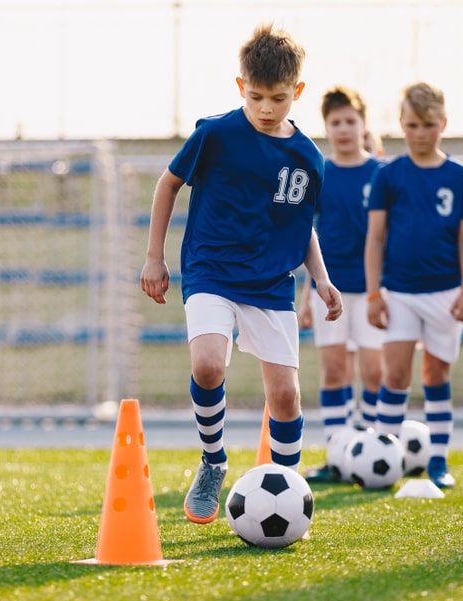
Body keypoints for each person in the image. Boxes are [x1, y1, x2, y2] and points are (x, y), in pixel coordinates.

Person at [140, 23, 342, 524]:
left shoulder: (308, 158)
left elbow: (302, 227)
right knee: (208, 365)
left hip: (271, 284)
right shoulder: (215, 134)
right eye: (256, 97)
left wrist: (320, 278)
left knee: (286, 397)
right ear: (240, 88)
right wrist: (154, 257)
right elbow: (167, 185)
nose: (267, 108)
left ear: (297, 91)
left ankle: (289, 494)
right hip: (210, 271)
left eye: (278, 98)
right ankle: (213, 461)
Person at [364, 81, 463, 489]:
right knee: (394, 375)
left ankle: (438, 461)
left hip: (446, 294)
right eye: (412, 124)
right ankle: (385, 455)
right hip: (398, 292)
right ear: (401, 124)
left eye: (429, 124)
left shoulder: (459, 177)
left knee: (436, 374)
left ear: (443, 124)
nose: (420, 133)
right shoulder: (389, 176)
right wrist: (375, 293)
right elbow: (375, 239)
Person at [296, 86, 384, 483]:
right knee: (334, 373)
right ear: (327, 127)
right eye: (336, 122)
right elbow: (306, 236)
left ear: (363, 125)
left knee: (374, 372)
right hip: (328, 290)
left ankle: (369, 450)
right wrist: (305, 294)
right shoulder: (320, 172)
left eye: (351, 121)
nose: (344, 128)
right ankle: (336, 455)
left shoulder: (381, 174)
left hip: (372, 292)